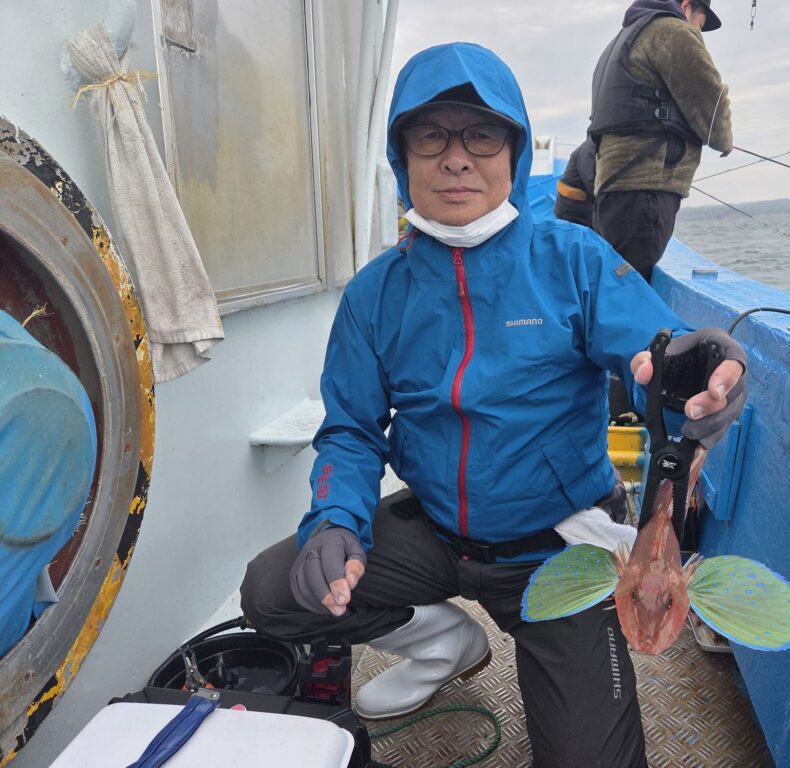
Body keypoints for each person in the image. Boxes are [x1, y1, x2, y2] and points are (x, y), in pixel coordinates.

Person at [240, 42, 747, 768]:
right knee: (273, 589)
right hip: (436, 531)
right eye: (430, 135)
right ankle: (441, 642)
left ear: (513, 150)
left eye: (481, 135)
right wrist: (335, 520)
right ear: (401, 157)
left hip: (557, 550)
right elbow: (351, 431)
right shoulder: (373, 294)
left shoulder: (574, 260)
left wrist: (691, 373)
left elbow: (653, 358)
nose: (456, 158)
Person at [591, 0, 733, 282]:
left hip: (611, 189)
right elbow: (711, 104)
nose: (697, 33)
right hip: (646, 192)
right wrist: (725, 139)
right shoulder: (672, 31)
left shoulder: (621, 41)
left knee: (614, 285)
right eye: (700, 25)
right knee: (632, 291)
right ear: (686, 4)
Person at [553, 136, 597, 228]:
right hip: (572, 209)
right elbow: (592, 181)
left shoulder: (591, 145)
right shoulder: (590, 147)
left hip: (579, 207)